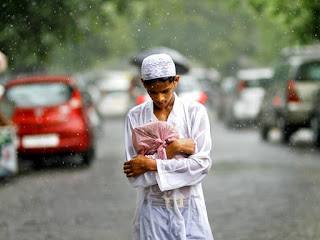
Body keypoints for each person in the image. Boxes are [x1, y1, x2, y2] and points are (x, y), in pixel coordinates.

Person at [123, 53, 214, 240]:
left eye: (165, 90)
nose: (160, 98)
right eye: (153, 92)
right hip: (152, 215)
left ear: (176, 81)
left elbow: (202, 167)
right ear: (143, 83)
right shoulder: (135, 117)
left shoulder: (195, 112)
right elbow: (136, 175)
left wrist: (152, 164)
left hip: (190, 211)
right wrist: (173, 151)